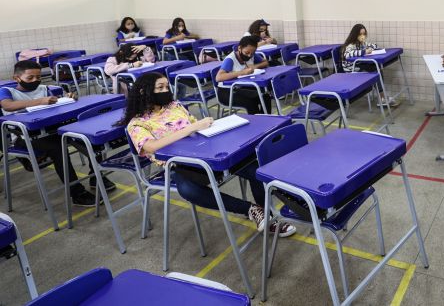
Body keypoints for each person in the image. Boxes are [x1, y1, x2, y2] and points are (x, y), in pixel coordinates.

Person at [120, 73, 294, 237]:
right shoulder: (137, 124)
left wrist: (208, 125)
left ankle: (270, 217)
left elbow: (197, 127)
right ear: (144, 91)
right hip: (178, 165)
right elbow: (152, 147)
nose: (166, 91)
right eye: (160, 88)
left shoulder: (174, 106)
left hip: (206, 152)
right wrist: (190, 129)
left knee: (253, 167)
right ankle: (251, 209)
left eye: (167, 86)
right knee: (189, 190)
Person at [0, 60, 115, 206]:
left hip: (51, 129)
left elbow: (55, 106)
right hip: (25, 136)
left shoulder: (44, 88)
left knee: (88, 137)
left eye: (38, 77)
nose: (35, 81)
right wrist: (40, 101)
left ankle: (96, 176)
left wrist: (67, 98)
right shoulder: (7, 91)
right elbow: (7, 105)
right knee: (58, 148)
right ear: (16, 78)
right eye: (30, 78)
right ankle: (77, 193)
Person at [341, 24, 395, 107]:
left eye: (364, 34)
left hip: (360, 66)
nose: (362, 36)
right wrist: (364, 52)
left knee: (377, 69)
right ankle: (382, 98)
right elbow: (347, 55)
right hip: (352, 70)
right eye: (360, 34)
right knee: (376, 71)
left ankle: (382, 97)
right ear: (355, 35)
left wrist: (370, 47)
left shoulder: (361, 43)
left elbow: (374, 46)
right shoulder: (351, 44)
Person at [215, 35, 271, 114]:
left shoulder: (251, 54)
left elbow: (265, 62)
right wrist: (242, 72)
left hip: (242, 88)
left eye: (252, 53)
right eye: (247, 53)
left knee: (265, 96)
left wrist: (255, 66)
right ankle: (257, 123)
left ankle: (266, 120)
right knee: (251, 102)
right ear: (239, 48)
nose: (249, 55)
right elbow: (218, 77)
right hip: (227, 92)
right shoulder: (230, 59)